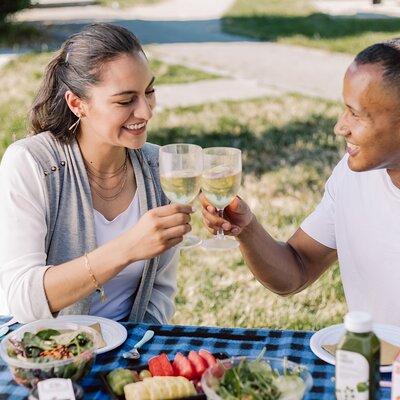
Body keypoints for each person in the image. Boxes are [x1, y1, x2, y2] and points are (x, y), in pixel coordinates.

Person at [0, 23, 193, 324]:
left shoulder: (158, 167)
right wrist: (127, 248)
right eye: (125, 100)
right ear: (78, 104)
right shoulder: (31, 164)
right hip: (41, 351)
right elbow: (23, 300)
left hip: (128, 351)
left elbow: (160, 293)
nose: (145, 112)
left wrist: (134, 355)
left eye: (149, 91)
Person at [201, 39, 400, 326]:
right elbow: (297, 268)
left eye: (355, 114)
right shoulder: (351, 175)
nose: (340, 127)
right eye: (345, 110)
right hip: (369, 364)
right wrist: (247, 230)